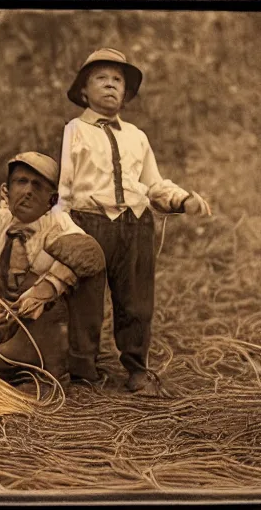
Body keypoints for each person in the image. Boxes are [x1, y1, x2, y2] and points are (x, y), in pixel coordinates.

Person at [56, 48, 213, 391]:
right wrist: (65, 227)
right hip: (90, 222)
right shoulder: (75, 131)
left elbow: (153, 183)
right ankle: (84, 372)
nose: (110, 85)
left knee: (137, 299)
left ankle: (137, 368)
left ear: (126, 94)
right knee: (86, 300)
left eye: (118, 80)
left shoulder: (137, 136)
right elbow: (64, 186)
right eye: (101, 78)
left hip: (136, 223)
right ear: (84, 90)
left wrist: (181, 199)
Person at [0, 152, 107, 383]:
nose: (28, 192)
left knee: (73, 259)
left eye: (38, 186)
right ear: (5, 191)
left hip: (48, 322)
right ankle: (7, 346)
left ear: (52, 200)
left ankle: (53, 358)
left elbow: (89, 255)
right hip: (8, 318)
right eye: (21, 182)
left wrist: (46, 289)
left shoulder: (59, 225)